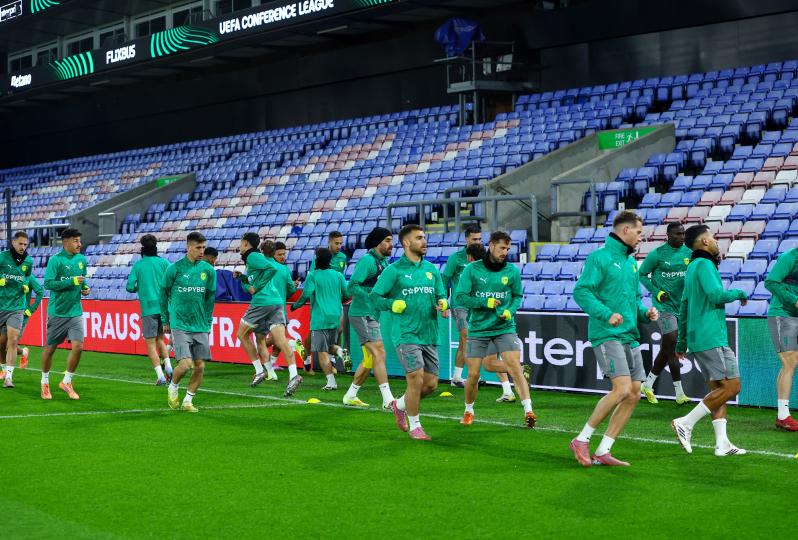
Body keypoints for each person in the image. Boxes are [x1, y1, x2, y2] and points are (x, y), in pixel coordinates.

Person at [570, 211, 659, 467]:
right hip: (606, 333)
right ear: (625, 230)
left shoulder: (631, 263)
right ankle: (581, 439)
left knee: (634, 393)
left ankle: (604, 450)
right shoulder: (599, 257)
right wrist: (606, 314)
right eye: (638, 232)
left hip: (629, 335)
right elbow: (581, 292)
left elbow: (633, 301)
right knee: (621, 389)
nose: (641, 237)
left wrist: (645, 314)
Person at [672, 224, 749, 457]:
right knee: (732, 386)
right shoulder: (705, 265)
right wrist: (739, 293)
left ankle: (722, 444)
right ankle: (685, 422)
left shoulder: (692, 267)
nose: (716, 241)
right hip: (711, 336)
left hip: (700, 337)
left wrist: (681, 342)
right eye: (713, 237)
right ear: (704, 241)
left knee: (719, 389)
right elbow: (717, 295)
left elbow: (684, 306)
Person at [371, 224, 448, 441]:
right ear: (406, 243)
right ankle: (416, 426)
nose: (424, 241)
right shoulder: (393, 270)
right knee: (415, 379)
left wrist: (443, 303)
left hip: (429, 333)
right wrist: (391, 304)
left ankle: (399, 405)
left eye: (424, 237)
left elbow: (441, 295)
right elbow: (374, 297)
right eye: (419, 238)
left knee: (430, 384)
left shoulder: (432, 270)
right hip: (406, 334)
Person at [455, 231, 535, 427]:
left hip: (504, 327)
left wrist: (510, 310)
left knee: (514, 367)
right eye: (502, 248)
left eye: (507, 249)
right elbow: (460, 297)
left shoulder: (511, 271)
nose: (505, 252)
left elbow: (517, 296)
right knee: (474, 374)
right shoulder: (472, 269)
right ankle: (468, 410)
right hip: (479, 329)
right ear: (491, 246)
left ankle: (529, 410)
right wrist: (484, 302)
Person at [235, 232, 302, 396]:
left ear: (246, 244)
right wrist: (242, 278)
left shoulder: (252, 256)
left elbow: (270, 270)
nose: (239, 246)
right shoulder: (253, 261)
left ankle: (259, 370)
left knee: (242, 334)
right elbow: (251, 285)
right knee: (280, 340)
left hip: (262, 302)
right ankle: (294, 374)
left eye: (241, 243)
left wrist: (258, 287)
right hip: (276, 302)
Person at [162, 232, 217, 412]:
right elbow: (163, 294)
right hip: (180, 324)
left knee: (200, 366)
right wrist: (165, 319)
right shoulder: (174, 269)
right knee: (186, 364)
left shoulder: (208, 270)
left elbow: (210, 298)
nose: (202, 251)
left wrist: (208, 321)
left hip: (200, 325)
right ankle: (173, 386)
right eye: (198, 247)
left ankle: (188, 401)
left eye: (203, 247)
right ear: (188, 248)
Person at [638, 222, 692, 405]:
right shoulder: (657, 254)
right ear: (668, 235)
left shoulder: (689, 253)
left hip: (682, 308)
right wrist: (657, 292)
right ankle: (679, 393)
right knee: (672, 341)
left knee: (667, 349)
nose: (682, 237)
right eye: (678, 234)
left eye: (683, 234)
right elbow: (642, 274)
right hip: (664, 307)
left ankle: (647, 384)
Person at [343, 227, 395, 408]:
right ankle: (388, 399)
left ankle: (351, 394)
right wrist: (371, 298)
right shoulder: (367, 260)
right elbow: (352, 286)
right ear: (377, 242)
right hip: (361, 314)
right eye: (387, 240)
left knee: (370, 359)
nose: (391, 244)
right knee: (379, 353)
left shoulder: (385, 263)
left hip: (373, 314)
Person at [40, 228, 90, 400]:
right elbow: (48, 284)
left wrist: (84, 288)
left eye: (79, 241)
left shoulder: (82, 260)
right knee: (50, 349)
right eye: (76, 241)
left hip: (75, 312)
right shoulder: (56, 260)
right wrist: (72, 281)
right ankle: (44, 382)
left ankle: (67, 381)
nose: (79, 244)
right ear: (66, 242)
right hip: (57, 312)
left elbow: (82, 280)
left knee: (79, 347)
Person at [291, 248, 349, 391]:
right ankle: (341, 352)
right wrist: (337, 301)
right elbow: (347, 294)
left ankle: (331, 382)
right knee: (329, 346)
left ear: (317, 259)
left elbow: (306, 294)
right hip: (336, 315)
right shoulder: (338, 275)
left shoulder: (313, 275)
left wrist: (295, 306)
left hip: (320, 317)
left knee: (322, 351)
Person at [126, 234, 172, 385]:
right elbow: (172, 282)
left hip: (148, 309)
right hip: (164, 308)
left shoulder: (139, 265)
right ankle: (169, 367)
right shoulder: (164, 263)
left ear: (142, 248)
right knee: (160, 339)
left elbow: (129, 287)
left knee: (151, 344)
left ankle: (160, 376)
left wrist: (140, 287)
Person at [442, 224, 484, 387]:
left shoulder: (483, 257)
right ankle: (470, 376)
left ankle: (457, 378)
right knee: (466, 336)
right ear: (466, 239)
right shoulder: (456, 258)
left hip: (476, 305)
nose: (478, 242)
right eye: (474, 239)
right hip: (459, 304)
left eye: (480, 239)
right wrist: (444, 303)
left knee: (465, 341)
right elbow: (445, 280)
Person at [304, 231, 349, 371]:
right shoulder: (319, 258)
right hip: (320, 302)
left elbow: (341, 279)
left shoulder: (343, 257)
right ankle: (307, 359)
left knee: (339, 329)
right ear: (329, 242)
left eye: (341, 243)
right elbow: (312, 278)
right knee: (313, 333)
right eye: (336, 243)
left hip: (335, 300)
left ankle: (332, 360)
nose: (339, 246)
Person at [764, 247, 798, 431]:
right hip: (782, 313)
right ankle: (783, 416)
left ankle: (782, 415)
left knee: (790, 364)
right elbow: (770, 282)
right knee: (790, 362)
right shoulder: (790, 257)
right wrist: (794, 299)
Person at [0, 231, 34, 388]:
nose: (22, 247)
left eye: (25, 244)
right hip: (1, 304)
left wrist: (25, 283)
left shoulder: (29, 261)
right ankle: (5, 368)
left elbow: (27, 276)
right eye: (20, 243)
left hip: (17, 306)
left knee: (12, 341)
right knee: (1, 344)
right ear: (13, 242)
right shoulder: (2, 257)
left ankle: (8, 377)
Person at [14, 274, 43, 370]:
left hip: (21, 314)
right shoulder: (6, 273)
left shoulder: (28, 276)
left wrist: (31, 309)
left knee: (10, 345)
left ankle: (6, 372)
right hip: (5, 312)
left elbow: (40, 291)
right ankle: (24, 352)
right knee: (4, 344)